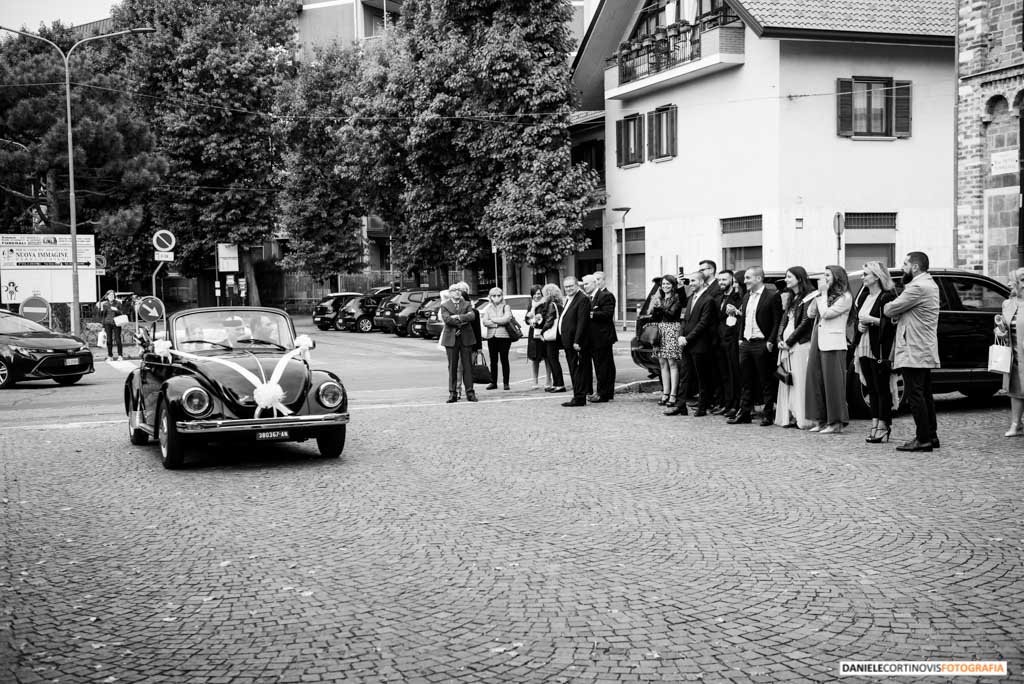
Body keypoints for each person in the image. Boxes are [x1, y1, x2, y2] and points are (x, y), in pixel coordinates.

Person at [884, 252, 941, 452]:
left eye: (905, 264)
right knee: (924, 393)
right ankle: (931, 436)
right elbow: (908, 313)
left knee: (915, 394)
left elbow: (890, 309)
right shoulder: (929, 284)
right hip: (922, 347)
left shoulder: (917, 286)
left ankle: (923, 439)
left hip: (914, 348)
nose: (902, 267)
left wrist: (890, 308)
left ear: (915, 267)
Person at [727, 267, 782, 426]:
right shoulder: (746, 297)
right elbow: (744, 319)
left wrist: (770, 342)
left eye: (748, 278)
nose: (745, 281)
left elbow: (777, 321)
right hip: (746, 343)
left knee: (765, 381)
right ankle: (744, 413)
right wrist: (740, 339)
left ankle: (767, 414)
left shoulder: (772, 296)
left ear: (758, 278)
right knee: (745, 380)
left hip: (762, 343)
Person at [805, 265, 853, 434]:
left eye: (827, 275)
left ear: (837, 277)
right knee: (815, 381)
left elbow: (827, 314)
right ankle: (820, 419)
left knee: (833, 384)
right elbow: (811, 314)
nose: (824, 279)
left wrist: (823, 295)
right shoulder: (824, 296)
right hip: (818, 340)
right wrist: (817, 296)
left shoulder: (845, 297)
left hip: (833, 342)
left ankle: (836, 422)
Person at [854, 262, 898, 443]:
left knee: (882, 388)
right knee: (871, 388)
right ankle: (874, 423)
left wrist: (871, 319)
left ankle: (884, 425)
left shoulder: (886, 297)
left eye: (866, 274)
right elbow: (859, 319)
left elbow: (891, 323)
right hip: (863, 345)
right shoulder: (864, 296)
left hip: (878, 348)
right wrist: (860, 324)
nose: (862, 277)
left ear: (877, 276)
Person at [669, 261, 720, 417]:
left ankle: (702, 407)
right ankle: (680, 405)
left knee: (701, 376)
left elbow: (703, 323)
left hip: (700, 344)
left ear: (702, 282)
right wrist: (681, 336)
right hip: (687, 343)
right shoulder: (691, 298)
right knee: (685, 375)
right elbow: (685, 319)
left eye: (693, 281)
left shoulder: (708, 299)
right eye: (690, 281)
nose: (690, 284)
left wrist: (688, 338)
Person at [775, 267, 816, 429]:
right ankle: (789, 415)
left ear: (799, 278)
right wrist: (779, 338)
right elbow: (784, 320)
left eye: (789, 277)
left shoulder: (809, 296)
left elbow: (806, 322)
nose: (786, 280)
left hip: (800, 344)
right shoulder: (792, 297)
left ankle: (802, 416)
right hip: (785, 345)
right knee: (787, 379)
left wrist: (790, 341)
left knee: (799, 379)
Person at [994, 267, 1024, 437]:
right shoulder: (1008, 304)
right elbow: (1004, 327)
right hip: (1014, 353)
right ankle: (1016, 423)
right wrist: (999, 331)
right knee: (1015, 389)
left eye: (1012, 282)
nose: (1009, 285)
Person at [648, 275, 684, 409]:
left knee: (672, 363)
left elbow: (671, 315)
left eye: (668, 284)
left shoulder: (676, 298)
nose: (665, 286)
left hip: (672, 330)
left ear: (673, 285)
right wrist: (655, 308)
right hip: (660, 331)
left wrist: (660, 307)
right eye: (663, 284)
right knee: (662, 363)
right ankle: (665, 393)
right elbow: (655, 317)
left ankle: (673, 395)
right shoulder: (661, 298)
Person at [440, 284, 478, 403]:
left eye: (459, 290)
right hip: (451, 338)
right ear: (450, 293)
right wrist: (462, 321)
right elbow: (447, 319)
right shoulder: (445, 305)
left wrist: (458, 317)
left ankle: (470, 392)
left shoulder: (466, 304)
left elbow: (472, 316)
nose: (457, 292)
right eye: (454, 290)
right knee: (452, 367)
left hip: (466, 338)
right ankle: (453, 393)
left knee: (467, 366)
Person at [713, 270, 743, 417]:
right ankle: (725, 403)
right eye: (719, 280)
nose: (721, 282)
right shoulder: (718, 296)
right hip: (719, 341)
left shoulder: (738, 297)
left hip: (732, 340)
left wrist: (735, 312)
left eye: (724, 279)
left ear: (732, 280)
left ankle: (734, 405)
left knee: (733, 375)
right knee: (723, 374)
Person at [559, 276, 592, 407]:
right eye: (566, 287)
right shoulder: (569, 299)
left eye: (571, 286)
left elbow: (582, 322)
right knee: (574, 369)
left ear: (577, 285)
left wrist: (577, 341)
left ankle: (579, 397)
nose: (568, 289)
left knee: (577, 369)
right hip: (568, 340)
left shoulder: (582, 299)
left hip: (576, 342)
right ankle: (577, 395)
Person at [587, 271, 618, 402]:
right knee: (603, 365)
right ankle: (605, 392)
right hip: (596, 337)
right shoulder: (594, 296)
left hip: (603, 337)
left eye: (599, 279)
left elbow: (607, 313)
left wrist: (591, 314)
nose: (597, 282)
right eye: (595, 279)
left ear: (604, 280)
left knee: (604, 366)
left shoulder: (606, 295)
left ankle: (603, 393)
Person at [480, 287, 513, 391]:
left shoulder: (506, 307)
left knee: (504, 360)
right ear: (490, 297)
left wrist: (493, 321)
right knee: (493, 361)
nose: (496, 298)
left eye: (498, 295)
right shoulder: (488, 308)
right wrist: (498, 323)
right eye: (494, 296)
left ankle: (506, 383)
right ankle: (493, 382)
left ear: (502, 296)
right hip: (491, 337)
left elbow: (507, 319)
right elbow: (485, 322)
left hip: (504, 337)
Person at [538, 283, 567, 393]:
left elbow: (549, 321)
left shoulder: (551, 305)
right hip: (557, 335)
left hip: (551, 336)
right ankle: (557, 384)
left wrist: (542, 331)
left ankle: (559, 384)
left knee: (553, 360)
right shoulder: (559, 304)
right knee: (553, 359)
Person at [524, 285, 550, 389]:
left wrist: (539, 320)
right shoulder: (531, 304)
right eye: (534, 294)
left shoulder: (546, 304)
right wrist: (529, 321)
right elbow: (526, 318)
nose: (536, 296)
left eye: (539, 293)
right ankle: (535, 381)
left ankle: (549, 380)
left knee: (547, 357)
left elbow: (547, 317)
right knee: (535, 358)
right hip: (533, 334)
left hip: (544, 332)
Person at [97, 290, 124, 361]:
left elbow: (122, 313)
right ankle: (110, 356)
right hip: (107, 323)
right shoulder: (105, 304)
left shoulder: (118, 303)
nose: (111, 296)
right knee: (109, 340)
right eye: (109, 295)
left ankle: (120, 355)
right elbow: (103, 315)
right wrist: (103, 326)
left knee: (118, 339)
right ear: (107, 296)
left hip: (116, 323)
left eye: (112, 295)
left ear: (114, 296)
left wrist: (116, 310)